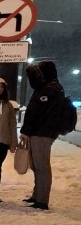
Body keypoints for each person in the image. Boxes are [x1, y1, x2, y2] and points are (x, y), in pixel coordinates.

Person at [20, 61, 65, 210]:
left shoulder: (49, 89)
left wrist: (26, 130)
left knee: (42, 166)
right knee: (37, 165)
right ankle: (37, 195)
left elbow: (37, 114)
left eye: (39, 71)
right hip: (40, 132)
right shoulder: (48, 87)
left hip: (42, 133)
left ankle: (42, 200)